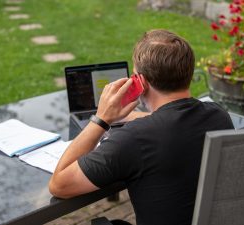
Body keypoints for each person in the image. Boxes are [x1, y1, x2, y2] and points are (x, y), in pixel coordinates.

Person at [49, 29, 234, 225]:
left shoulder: (134, 138)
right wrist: (140, 116)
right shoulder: (219, 115)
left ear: (141, 82)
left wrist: (102, 119)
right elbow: (175, 121)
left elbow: (60, 185)